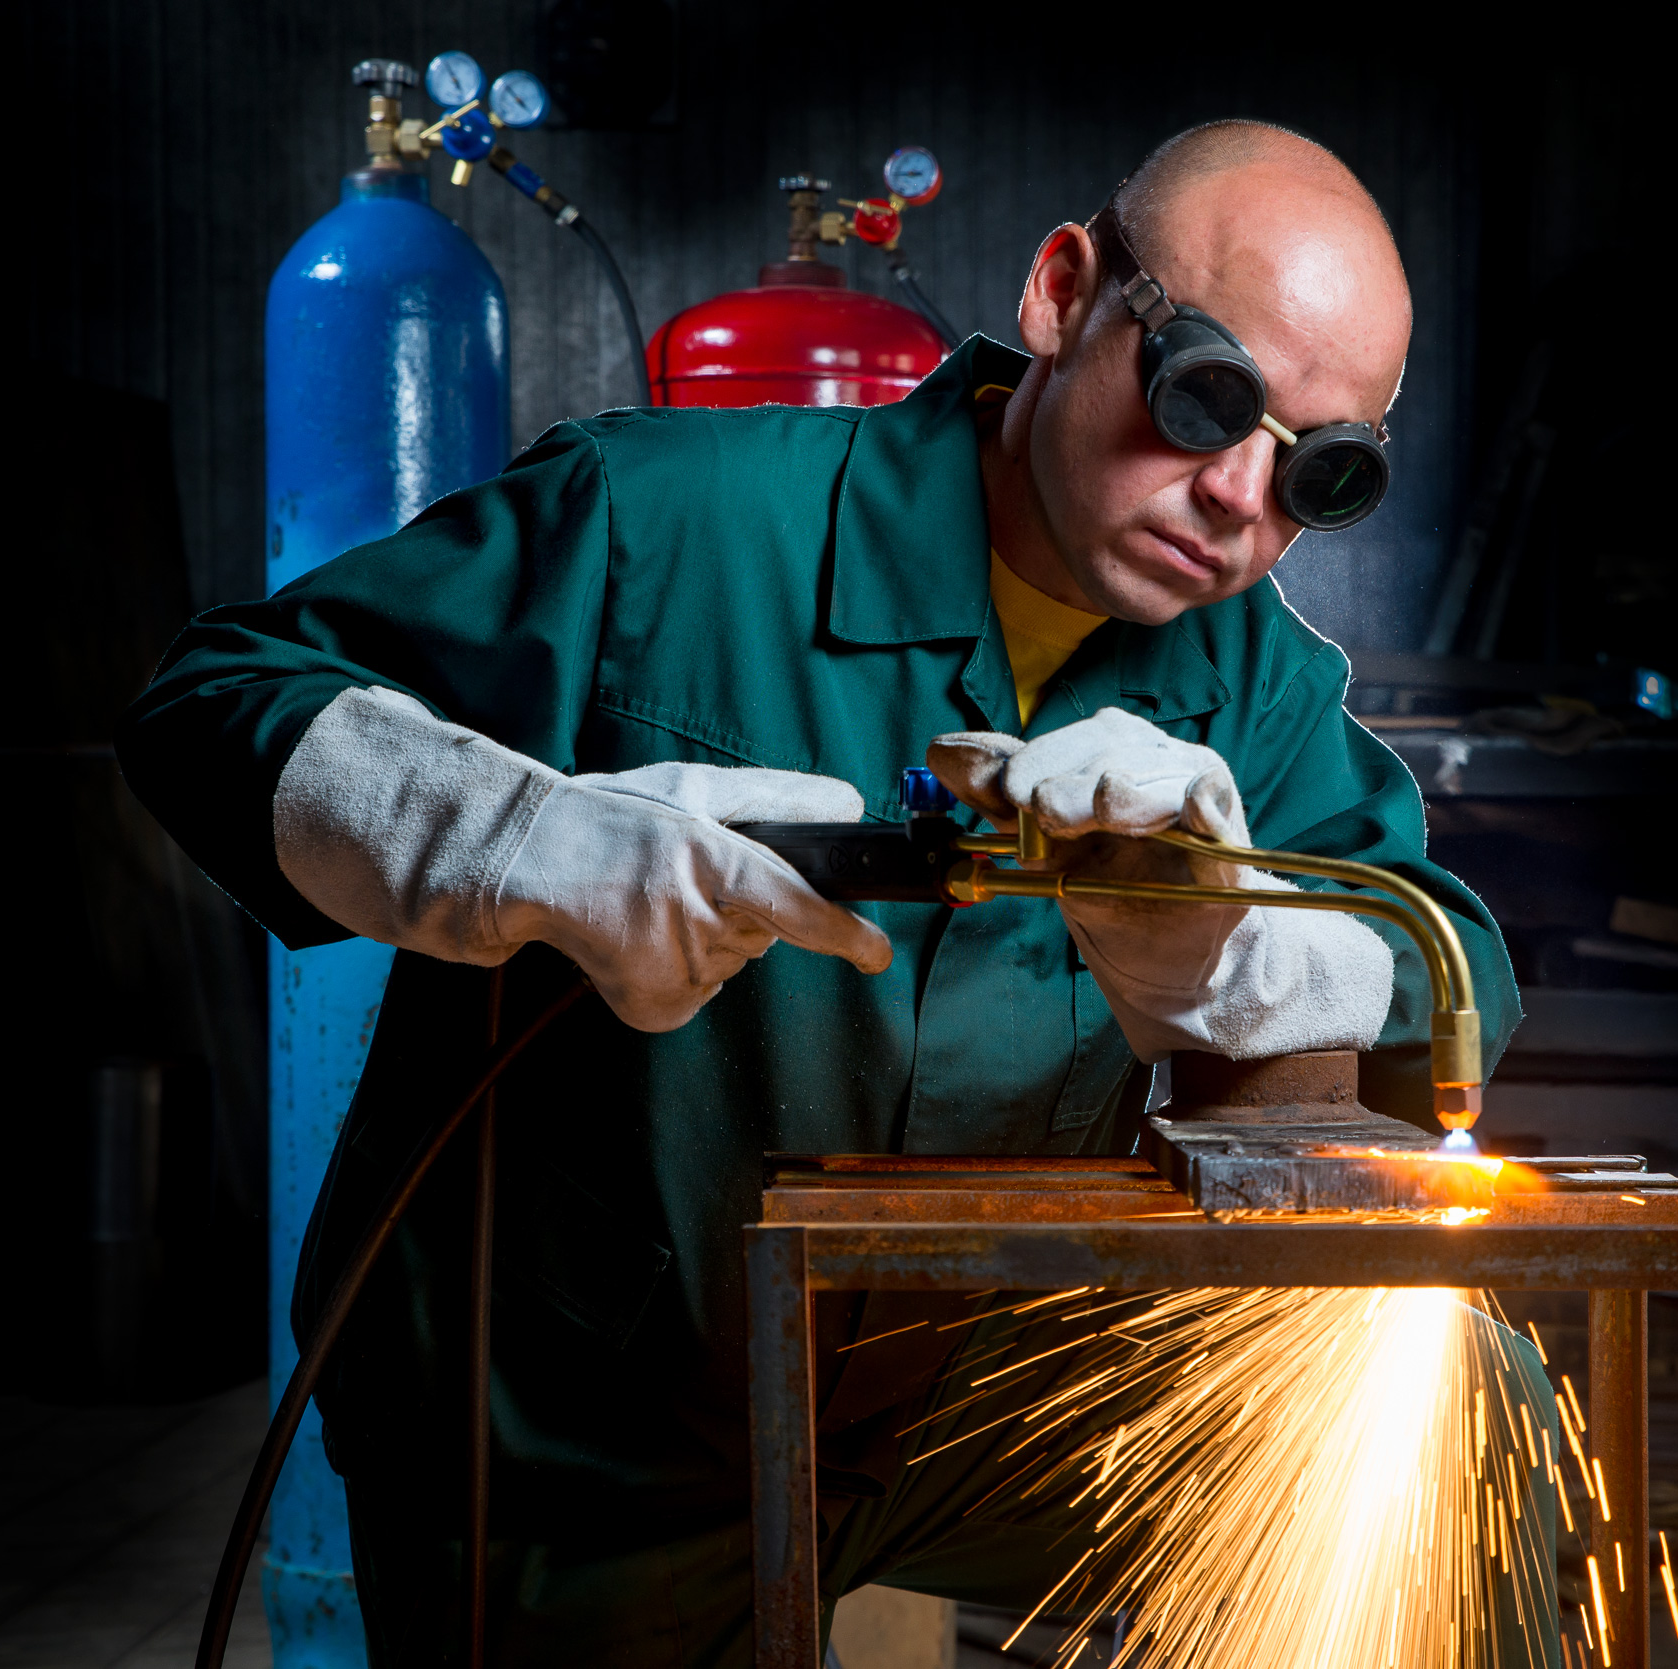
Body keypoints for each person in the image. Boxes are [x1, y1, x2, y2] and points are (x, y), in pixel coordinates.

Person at [119, 120, 1529, 1667]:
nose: (1239, 500)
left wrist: (1238, 952)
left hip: (969, 1395)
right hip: (592, 1436)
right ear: (1064, 293)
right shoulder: (661, 523)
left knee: (1477, 1418)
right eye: (1206, 397)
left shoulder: (1254, 685)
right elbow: (208, 700)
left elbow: (1445, 960)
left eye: (1320, 471)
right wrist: (509, 839)